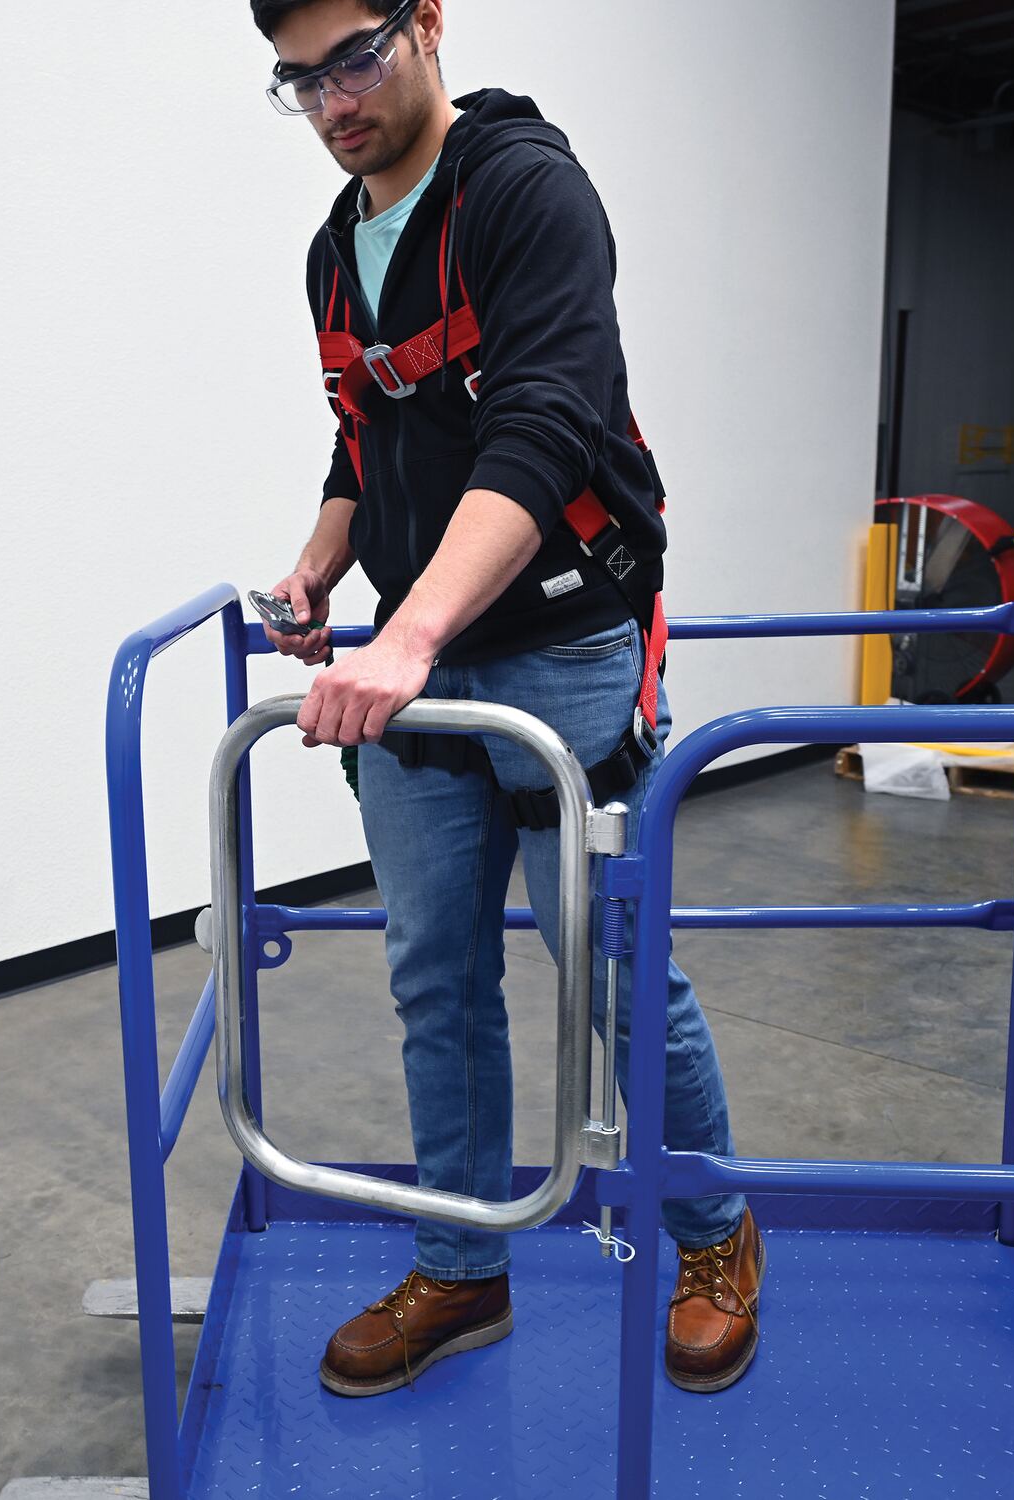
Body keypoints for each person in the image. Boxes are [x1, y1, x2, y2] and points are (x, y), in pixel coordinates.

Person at [248, 0, 763, 1397]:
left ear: (426, 22)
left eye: (354, 58)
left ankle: (714, 1233)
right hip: (424, 668)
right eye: (298, 80)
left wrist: (406, 639)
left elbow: (542, 428)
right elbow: (365, 435)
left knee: (612, 967)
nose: (332, 102)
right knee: (435, 977)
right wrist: (317, 572)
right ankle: (463, 1263)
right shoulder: (336, 252)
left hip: (559, 650)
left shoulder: (527, 193)